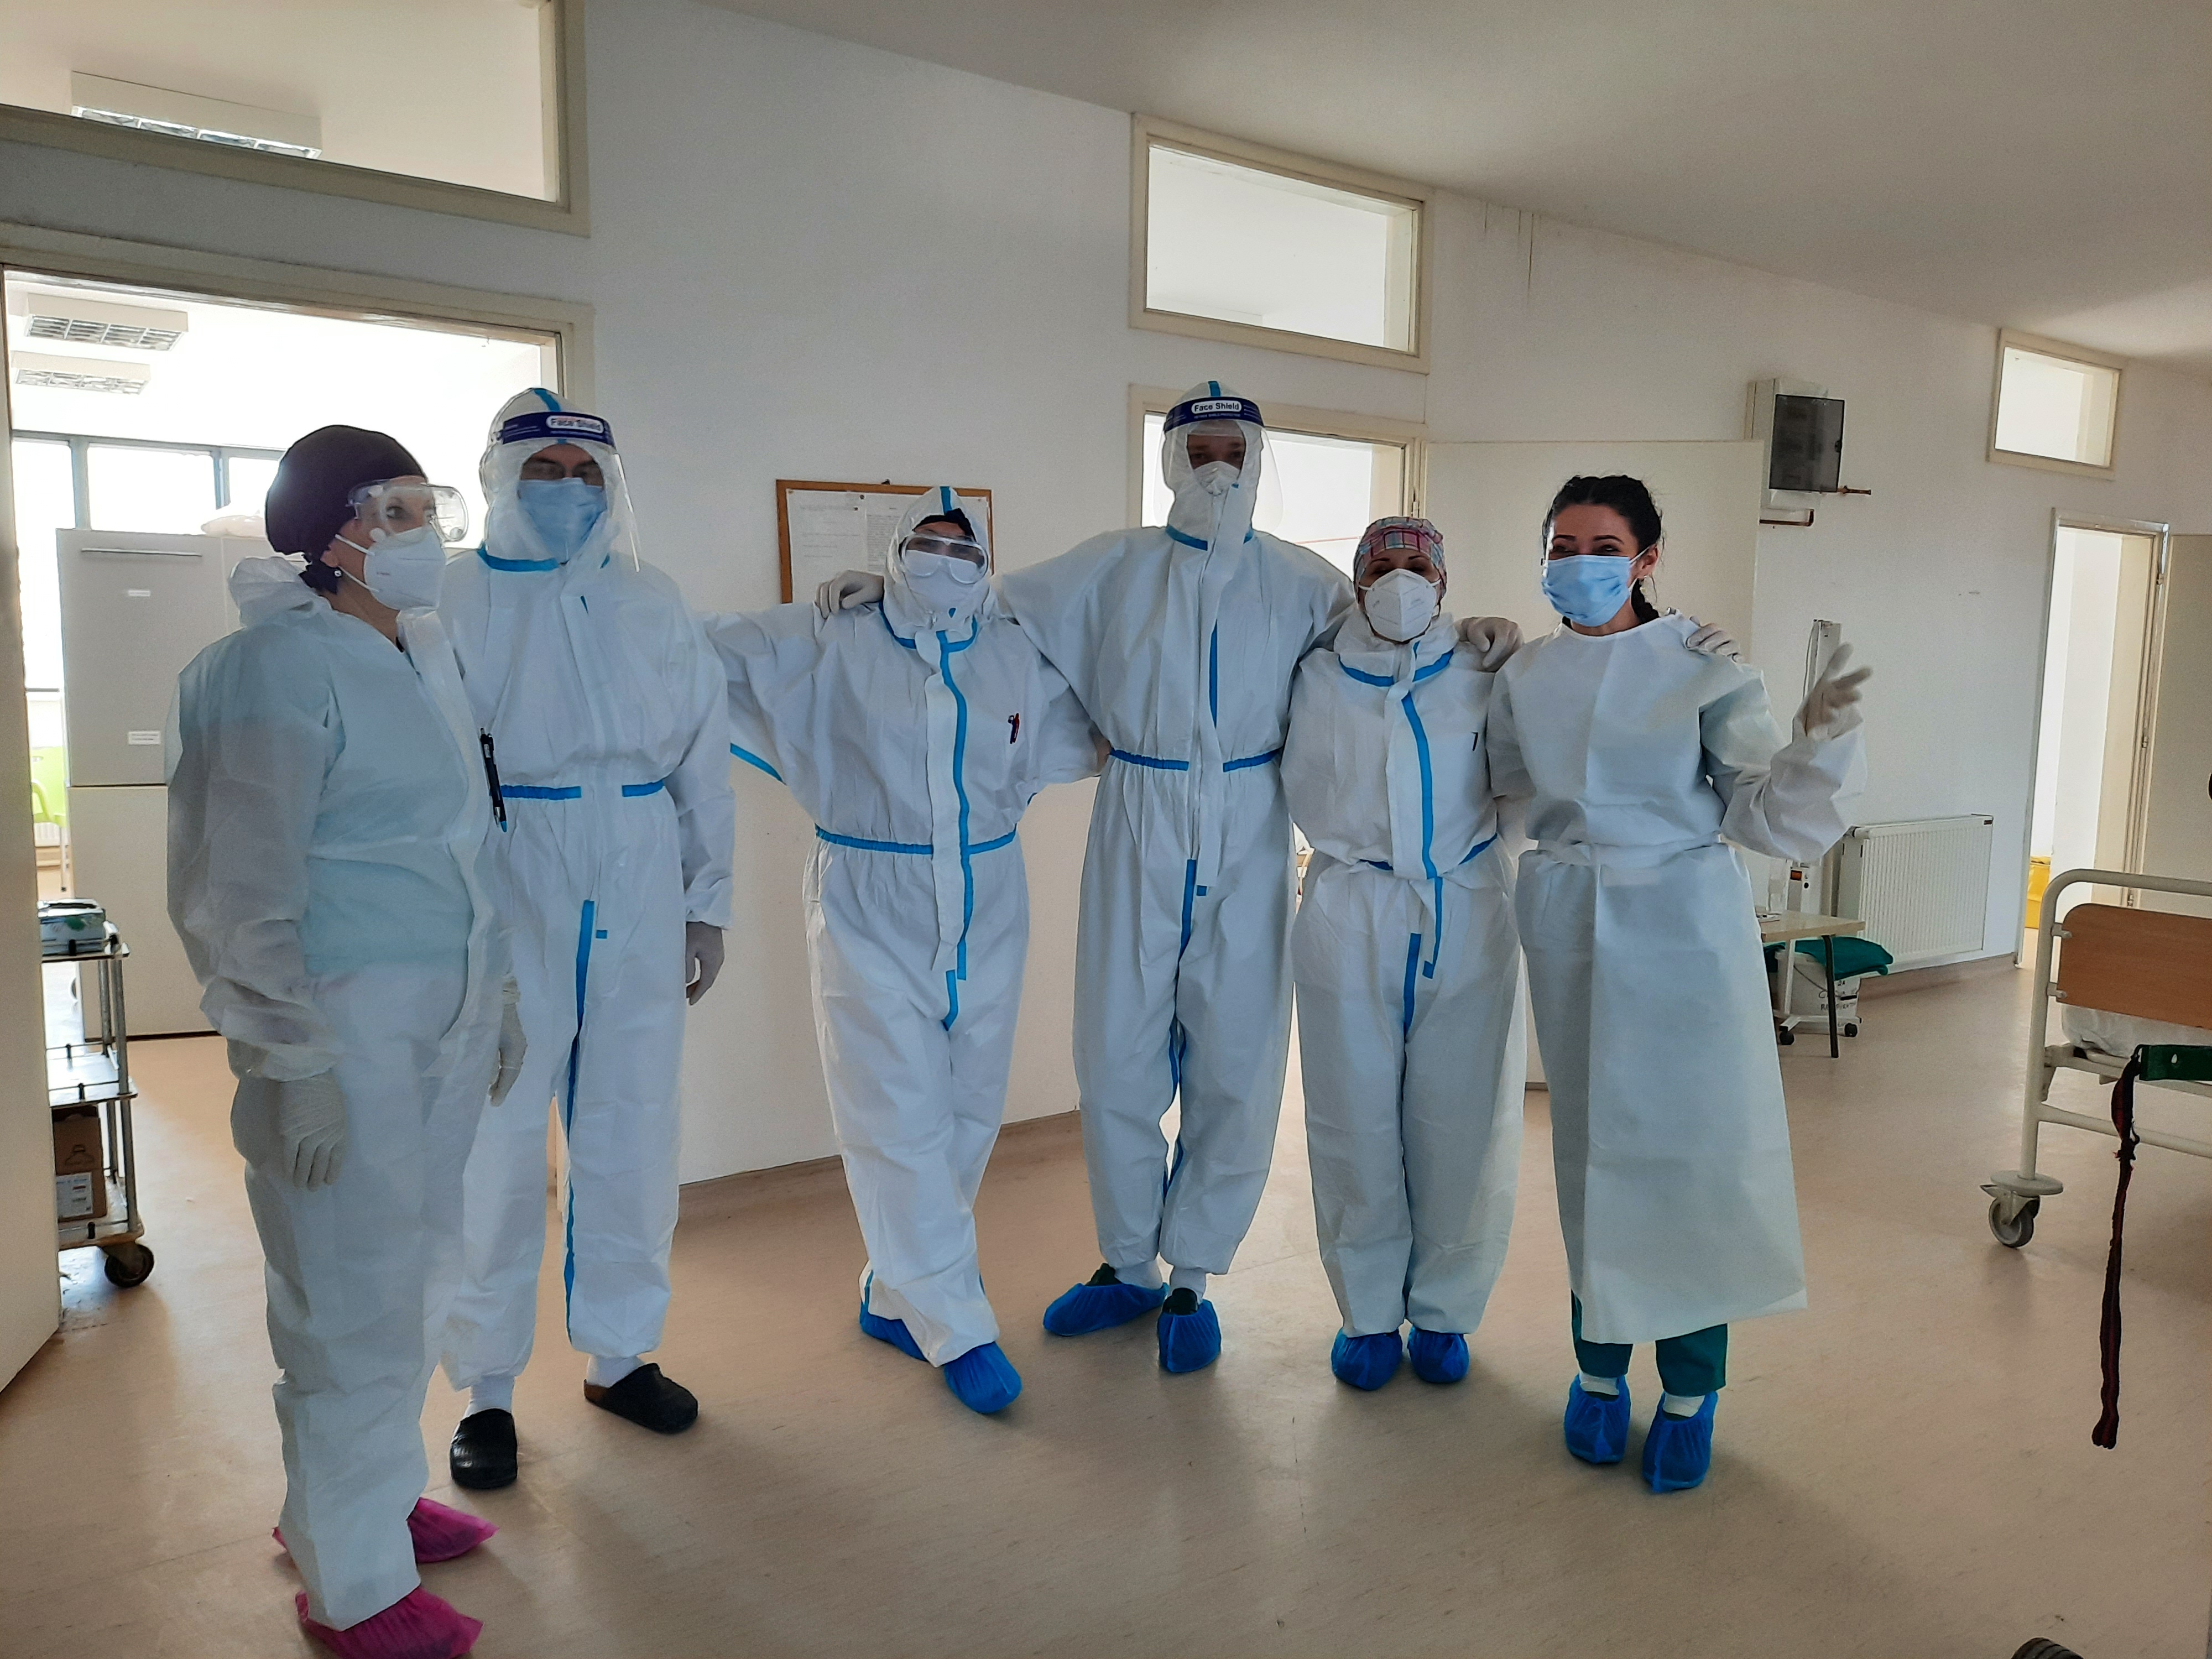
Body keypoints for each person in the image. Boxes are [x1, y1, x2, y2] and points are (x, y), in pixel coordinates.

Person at [821, 384, 1521, 1374]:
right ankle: (1127, 1264)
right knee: (1115, 1054)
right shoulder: (1110, 565)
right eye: (1201, 450)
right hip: (1137, 810)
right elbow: (984, 606)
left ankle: (1192, 1275)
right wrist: (887, 595)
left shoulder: (1304, 580)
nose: (1219, 468)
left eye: (1236, 450)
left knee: (1237, 1057)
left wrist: (1481, 633)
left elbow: (1392, 632)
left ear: (1259, 458)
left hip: (1251, 821)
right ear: (1170, 458)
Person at [169, 425, 525, 1658]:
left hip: (439, 1014)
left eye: (430, 508)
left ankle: (363, 1500)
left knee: (417, 1272)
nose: (426, 535)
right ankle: (355, 1586)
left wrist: (497, 992)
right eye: (397, 511)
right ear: (326, 532)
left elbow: (463, 845)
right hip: (339, 1028)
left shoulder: (419, 651)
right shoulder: (268, 668)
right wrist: (291, 1061)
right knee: (346, 1297)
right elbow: (237, 888)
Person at [1486, 473, 1870, 1493]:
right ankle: (1600, 1371)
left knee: (1691, 1155)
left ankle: (1693, 1390)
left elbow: (1762, 811)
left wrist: (1820, 740)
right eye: (1562, 545)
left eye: (1603, 546)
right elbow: (1502, 786)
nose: (1579, 563)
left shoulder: (1700, 666)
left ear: (1647, 559)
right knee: (1590, 1151)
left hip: (1682, 923)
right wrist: (1453, 661)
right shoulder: (1527, 674)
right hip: (1571, 914)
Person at [711, 489, 1098, 1412]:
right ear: (893, 552)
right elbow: (685, 652)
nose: (945, 559)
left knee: (969, 1107)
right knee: (892, 1113)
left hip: (989, 895)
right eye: (926, 543)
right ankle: (956, 1325)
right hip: (867, 895)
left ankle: (897, 1291)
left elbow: (1105, 693)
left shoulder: (1014, 652)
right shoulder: (829, 639)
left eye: (964, 549)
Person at [439, 391, 735, 1489]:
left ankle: (621, 1357)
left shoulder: (651, 597)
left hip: (639, 864)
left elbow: (703, 756)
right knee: (499, 1134)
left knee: (634, 1123)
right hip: (511, 863)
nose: (568, 490)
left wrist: (706, 902)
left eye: (586, 472)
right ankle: (487, 1390)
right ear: (498, 478)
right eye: (544, 469)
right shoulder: (454, 598)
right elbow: (429, 761)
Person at [1281, 517, 1526, 1392]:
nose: (1400, 576)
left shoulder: (1485, 673)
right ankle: (1369, 1314)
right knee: (1352, 1118)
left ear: (1444, 579)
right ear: (1355, 581)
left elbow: (1525, 775)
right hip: (1349, 906)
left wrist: (1512, 653)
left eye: (1418, 563)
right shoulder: (1313, 675)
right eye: (1381, 563)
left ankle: (1447, 1311)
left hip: (1467, 904)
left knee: (1464, 1119)